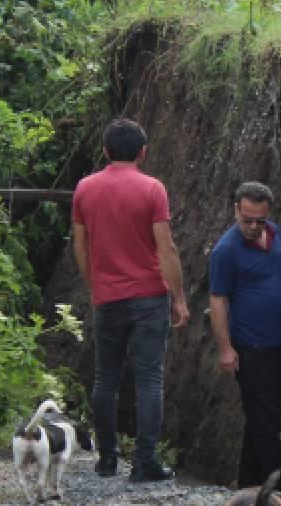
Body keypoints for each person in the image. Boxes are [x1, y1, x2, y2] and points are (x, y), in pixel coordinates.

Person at [71, 118, 189, 483]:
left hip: (108, 297)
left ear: (105, 151)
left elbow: (80, 245)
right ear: (143, 152)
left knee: (106, 377)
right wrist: (179, 298)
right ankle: (144, 462)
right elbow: (165, 248)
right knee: (149, 379)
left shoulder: (85, 189)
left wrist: (96, 285)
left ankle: (106, 458)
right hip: (149, 296)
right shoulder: (152, 189)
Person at [208, 182, 281, 496]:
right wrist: (225, 348)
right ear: (236, 210)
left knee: (262, 414)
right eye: (246, 218)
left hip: (278, 342)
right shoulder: (226, 251)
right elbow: (218, 300)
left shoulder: (275, 235)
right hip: (251, 346)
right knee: (266, 419)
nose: (252, 226)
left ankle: (248, 482)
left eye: (258, 220)